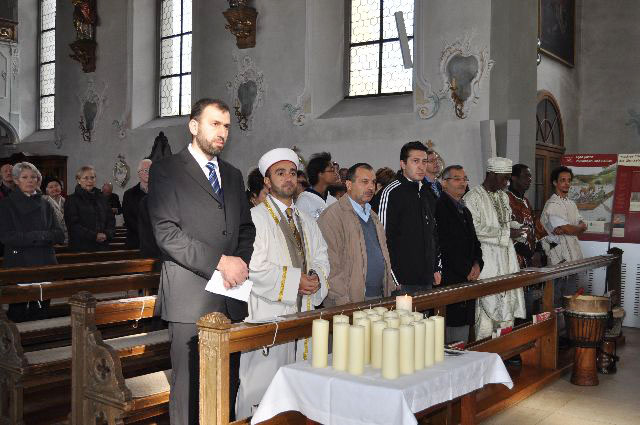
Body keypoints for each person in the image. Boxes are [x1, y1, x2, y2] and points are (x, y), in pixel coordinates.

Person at [148, 98, 255, 425]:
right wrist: (221, 262)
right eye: (214, 124)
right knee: (190, 389)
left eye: (226, 126)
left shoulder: (233, 175)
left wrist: (239, 263)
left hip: (230, 295)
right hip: (189, 297)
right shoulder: (166, 170)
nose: (222, 132)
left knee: (227, 384)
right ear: (194, 126)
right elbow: (167, 233)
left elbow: (246, 228)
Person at [237, 148, 328, 419]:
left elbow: (322, 256)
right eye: (280, 173)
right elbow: (253, 267)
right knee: (262, 391)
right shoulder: (255, 218)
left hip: (303, 313)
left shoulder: (307, 220)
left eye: (292, 172)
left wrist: (316, 278)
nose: (288, 178)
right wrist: (295, 281)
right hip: (268, 314)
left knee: (299, 393)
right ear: (267, 181)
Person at [463, 157, 526, 339]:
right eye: (504, 178)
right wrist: (507, 233)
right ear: (491, 174)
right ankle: (485, 350)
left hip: (507, 258)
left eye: (508, 178)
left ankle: (505, 349)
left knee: (507, 309)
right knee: (485, 315)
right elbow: (474, 229)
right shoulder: (473, 197)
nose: (507, 183)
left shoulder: (503, 196)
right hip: (486, 260)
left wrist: (518, 228)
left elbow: (503, 222)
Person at [318, 163, 394, 306]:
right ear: (349, 184)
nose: (371, 187)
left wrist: (389, 286)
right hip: (349, 300)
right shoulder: (332, 216)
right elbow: (331, 264)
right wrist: (342, 300)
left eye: (373, 182)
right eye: (364, 182)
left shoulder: (373, 216)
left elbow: (383, 254)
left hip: (379, 295)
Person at [372, 141, 440, 293]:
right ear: (403, 164)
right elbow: (381, 239)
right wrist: (393, 278)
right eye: (415, 161)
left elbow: (434, 234)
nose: (421, 166)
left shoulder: (427, 193)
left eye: (424, 161)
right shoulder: (391, 193)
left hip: (426, 278)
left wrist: (436, 267)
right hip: (401, 281)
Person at [0, 162, 64, 322]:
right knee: (17, 311)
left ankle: (40, 336)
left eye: (33, 177)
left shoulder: (45, 203)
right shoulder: (7, 204)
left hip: (45, 261)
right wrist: (41, 236)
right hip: (19, 262)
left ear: (38, 179)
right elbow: (7, 236)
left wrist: (37, 237)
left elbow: (59, 234)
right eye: (25, 177)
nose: (30, 180)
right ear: (16, 180)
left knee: (42, 311)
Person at [435, 165, 483, 343]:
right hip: (450, 278)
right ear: (443, 183)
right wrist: (466, 270)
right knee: (450, 338)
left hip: (467, 277)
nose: (462, 183)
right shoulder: (439, 207)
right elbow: (443, 246)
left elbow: (475, 243)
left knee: (463, 335)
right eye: (456, 179)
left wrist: (477, 264)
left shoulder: (465, 210)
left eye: (464, 179)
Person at [541, 166, 586, 308]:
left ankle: (567, 322)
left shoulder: (571, 203)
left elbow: (583, 225)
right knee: (555, 300)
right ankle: (555, 322)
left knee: (570, 299)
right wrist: (574, 228)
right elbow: (569, 228)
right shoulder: (552, 205)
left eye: (569, 180)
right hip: (558, 258)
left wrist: (575, 228)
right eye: (562, 180)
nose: (567, 184)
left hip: (572, 258)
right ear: (555, 182)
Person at [508, 164, 545, 318]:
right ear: (513, 178)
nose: (529, 179)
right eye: (525, 176)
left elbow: (535, 228)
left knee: (531, 307)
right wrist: (530, 254)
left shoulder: (525, 201)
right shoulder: (507, 199)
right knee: (518, 306)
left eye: (530, 176)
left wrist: (538, 252)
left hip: (530, 261)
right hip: (516, 259)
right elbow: (508, 232)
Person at [64, 166, 115, 252]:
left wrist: (107, 234)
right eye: (86, 178)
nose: (90, 181)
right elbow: (73, 225)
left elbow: (111, 220)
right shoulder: (71, 200)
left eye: (92, 177)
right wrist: (94, 236)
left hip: (103, 247)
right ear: (78, 180)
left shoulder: (102, 198)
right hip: (81, 249)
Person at [295, 152, 340, 219]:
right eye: (332, 170)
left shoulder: (332, 200)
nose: (336, 174)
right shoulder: (304, 201)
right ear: (320, 174)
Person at [122, 159, 152, 249]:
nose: (148, 173)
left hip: (157, 242)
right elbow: (128, 219)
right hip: (136, 241)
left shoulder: (161, 192)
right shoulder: (129, 194)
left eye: (151, 170)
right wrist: (147, 232)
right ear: (139, 173)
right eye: (146, 170)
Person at [42, 176, 68, 244]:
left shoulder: (67, 201)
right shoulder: (43, 203)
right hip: (52, 240)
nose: (54, 188)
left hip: (69, 238)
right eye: (51, 187)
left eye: (56, 185)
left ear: (61, 187)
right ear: (46, 190)